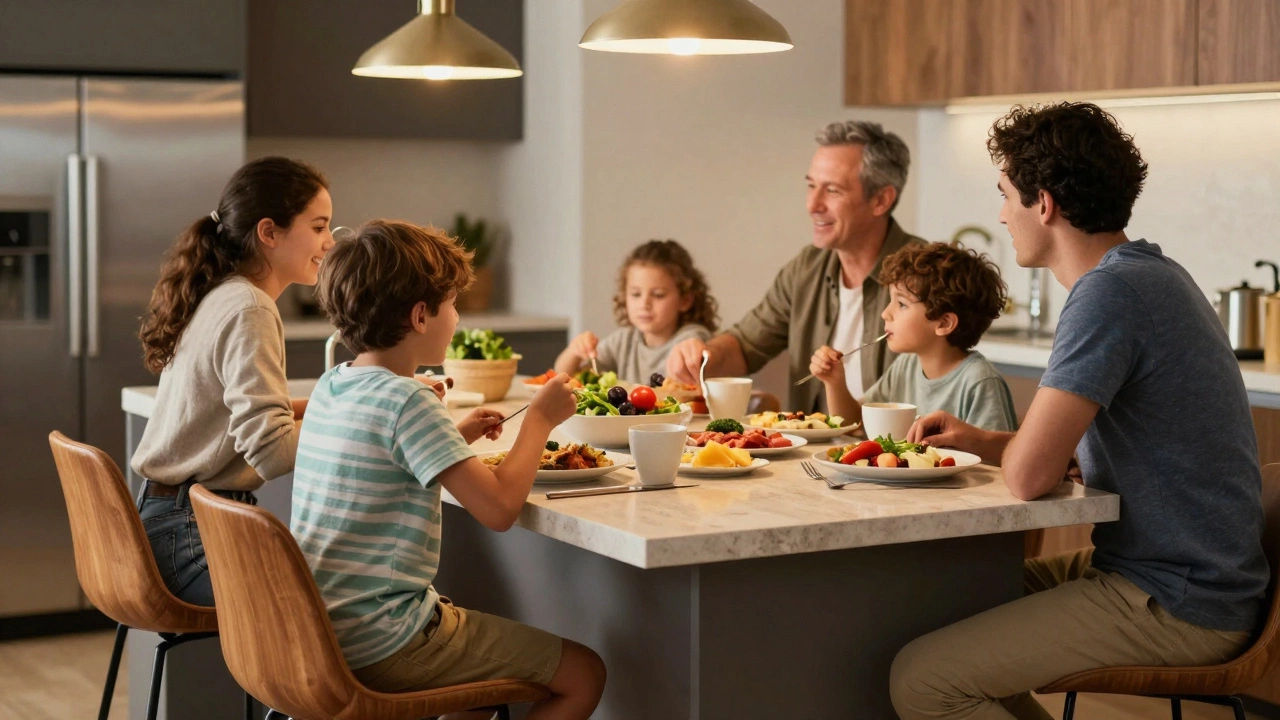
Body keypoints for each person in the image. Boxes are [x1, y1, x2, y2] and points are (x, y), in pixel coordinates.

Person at [889, 102, 1267, 720]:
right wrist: (982, 438)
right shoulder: (1149, 274)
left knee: (922, 680)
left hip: (1177, 598)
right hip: (1176, 575)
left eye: (1006, 194)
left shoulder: (1109, 295)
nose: (1001, 214)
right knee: (947, 605)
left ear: (1045, 204)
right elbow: (1070, 453)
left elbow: (1030, 477)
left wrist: (1013, 454)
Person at [293, 220, 606, 719]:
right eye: (452, 304)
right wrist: (540, 420)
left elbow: (379, 459)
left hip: (322, 632)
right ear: (421, 316)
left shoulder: (334, 384)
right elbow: (500, 508)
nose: (457, 317)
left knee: (480, 694)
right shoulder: (409, 399)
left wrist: (453, 435)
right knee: (584, 674)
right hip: (385, 641)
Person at [132, 156, 333, 605]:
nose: (329, 242)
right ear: (269, 233)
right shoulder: (252, 309)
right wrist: (354, 427)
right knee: (337, 602)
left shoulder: (223, 293)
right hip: (189, 537)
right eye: (318, 227)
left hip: (169, 520)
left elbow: (231, 413)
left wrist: (336, 401)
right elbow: (272, 453)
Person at [666, 120, 925, 411]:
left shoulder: (927, 273)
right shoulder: (806, 268)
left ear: (881, 200)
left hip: (897, 452)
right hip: (810, 453)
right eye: (811, 186)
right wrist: (702, 356)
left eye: (833, 191)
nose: (813, 205)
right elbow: (746, 343)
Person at [810, 241, 1017, 432]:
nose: (885, 313)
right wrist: (834, 382)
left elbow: (998, 459)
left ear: (944, 323)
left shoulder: (979, 382)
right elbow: (853, 424)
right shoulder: (905, 366)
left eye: (901, 304)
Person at [555, 239, 717, 385]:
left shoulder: (691, 339)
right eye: (636, 294)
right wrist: (574, 351)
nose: (644, 304)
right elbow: (564, 376)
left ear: (685, 301)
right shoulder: (623, 341)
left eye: (658, 295)